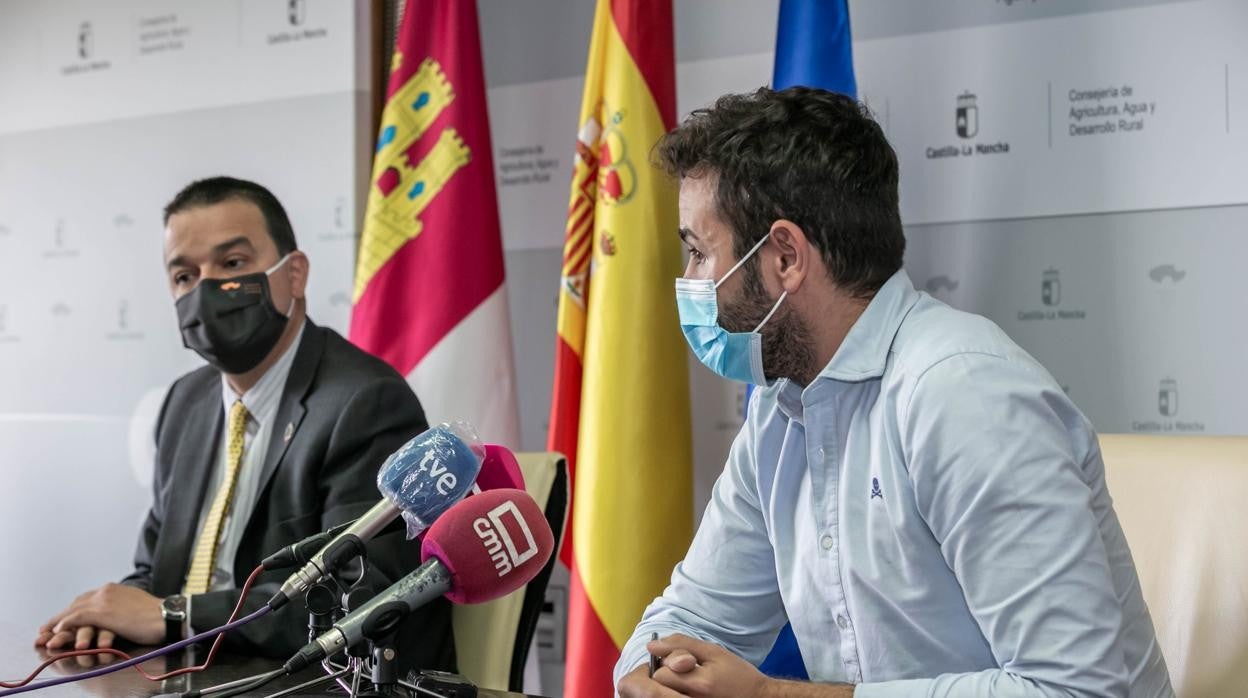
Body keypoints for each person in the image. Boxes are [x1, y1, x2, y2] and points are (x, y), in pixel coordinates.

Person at [615, 88, 1172, 697]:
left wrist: (772, 696)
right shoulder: (781, 409)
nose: (689, 282)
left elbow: (1077, 691)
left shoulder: (963, 394)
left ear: (785, 257)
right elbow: (691, 620)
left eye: (698, 252)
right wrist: (650, 678)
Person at [34, 177, 455, 672]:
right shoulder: (185, 403)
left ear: (294, 275)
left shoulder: (367, 403)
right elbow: (156, 568)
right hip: (190, 673)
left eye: (233, 264)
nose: (207, 289)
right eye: (184, 276)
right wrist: (112, 612)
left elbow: (356, 596)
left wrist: (174, 615)